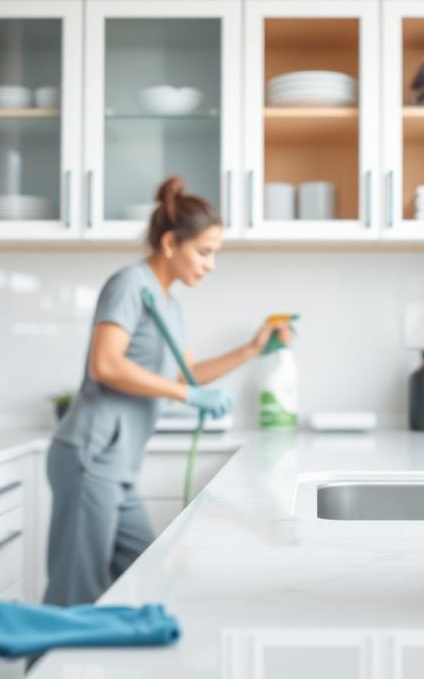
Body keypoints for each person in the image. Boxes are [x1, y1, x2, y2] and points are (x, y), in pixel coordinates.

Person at [43, 175, 289, 606]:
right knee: (75, 597)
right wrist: (188, 397)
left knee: (149, 575)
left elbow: (185, 376)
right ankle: (48, 670)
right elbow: (106, 363)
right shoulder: (129, 284)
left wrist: (252, 349)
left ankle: (106, 670)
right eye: (205, 252)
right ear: (172, 243)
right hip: (89, 456)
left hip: (118, 466)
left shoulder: (169, 304)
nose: (211, 264)